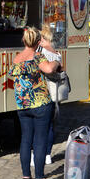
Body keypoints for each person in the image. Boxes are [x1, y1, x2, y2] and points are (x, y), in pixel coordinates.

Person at [8, 26, 60, 179]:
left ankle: (26, 178)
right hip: (40, 105)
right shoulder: (37, 57)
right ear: (38, 42)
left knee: (25, 139)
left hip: (23, 105)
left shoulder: (16, 58)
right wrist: (57, 59)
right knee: (40, 141)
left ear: (23, 40)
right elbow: (50, 69)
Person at [30, 25, 62, 166]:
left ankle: (36, 154)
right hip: (54, 92)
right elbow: (62, 70)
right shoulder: (56, 54)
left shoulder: (38, 52)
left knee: (36, 126)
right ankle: (48, 154)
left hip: (41, 92)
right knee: (50, 125)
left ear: (42, 38)